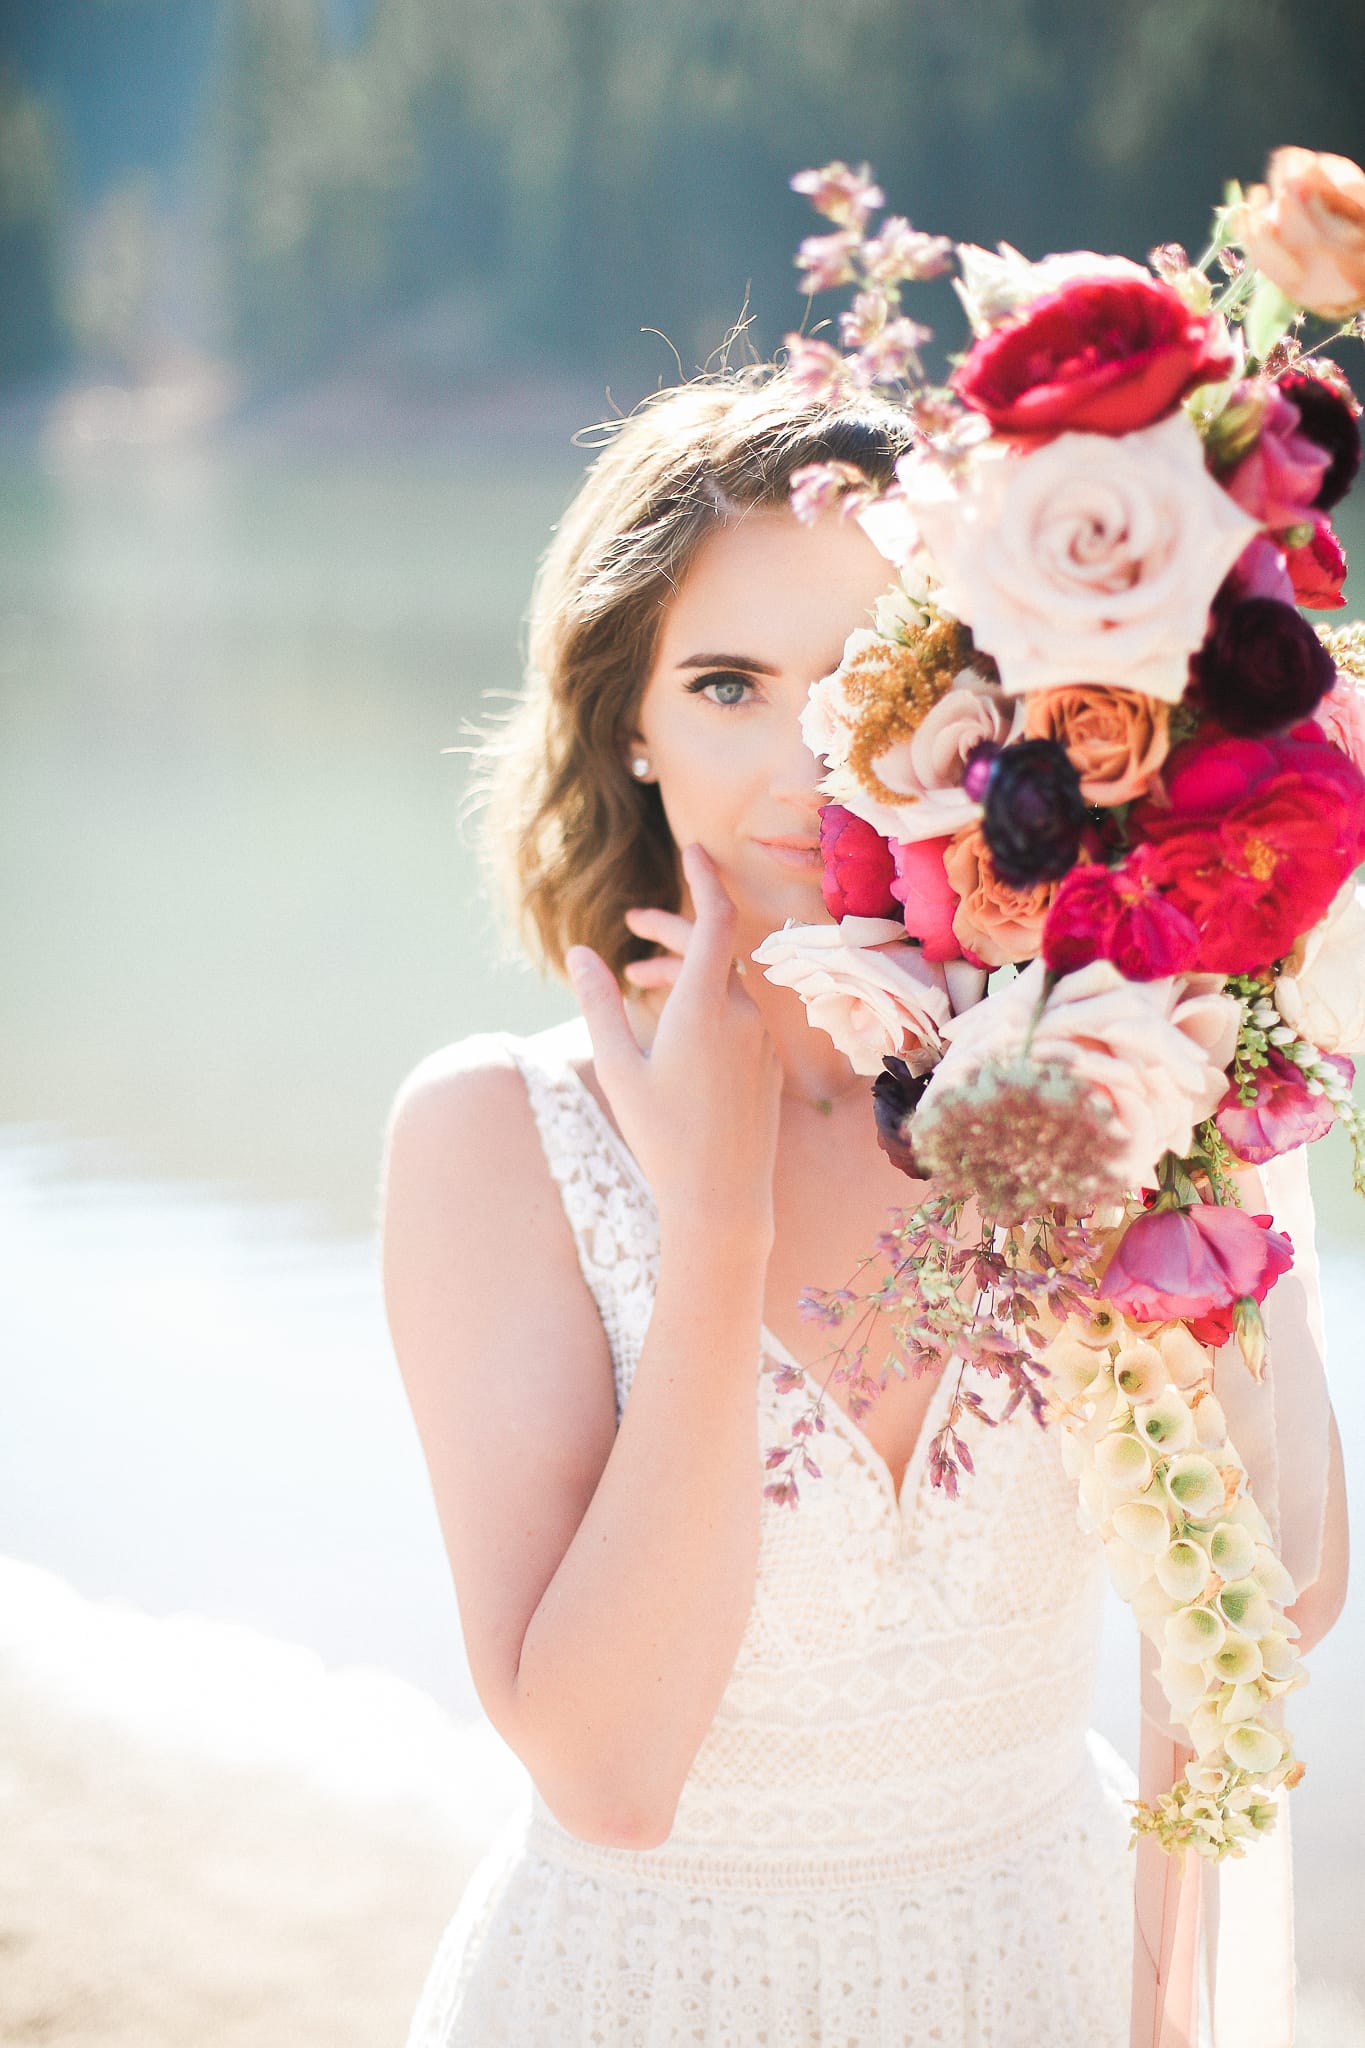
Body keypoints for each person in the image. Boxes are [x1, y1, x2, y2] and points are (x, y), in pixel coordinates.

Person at [380, 369, 1348, 2047]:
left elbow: (1272, 1588)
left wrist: (1159, 1075)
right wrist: (715, 1227)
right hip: (635, 1998)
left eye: (868, 677)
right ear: (628, 717)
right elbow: (608, 1777)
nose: (805, 757)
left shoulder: (1118, 1066)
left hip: (1035, 1969)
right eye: (728, 684)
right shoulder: (490, 1137)